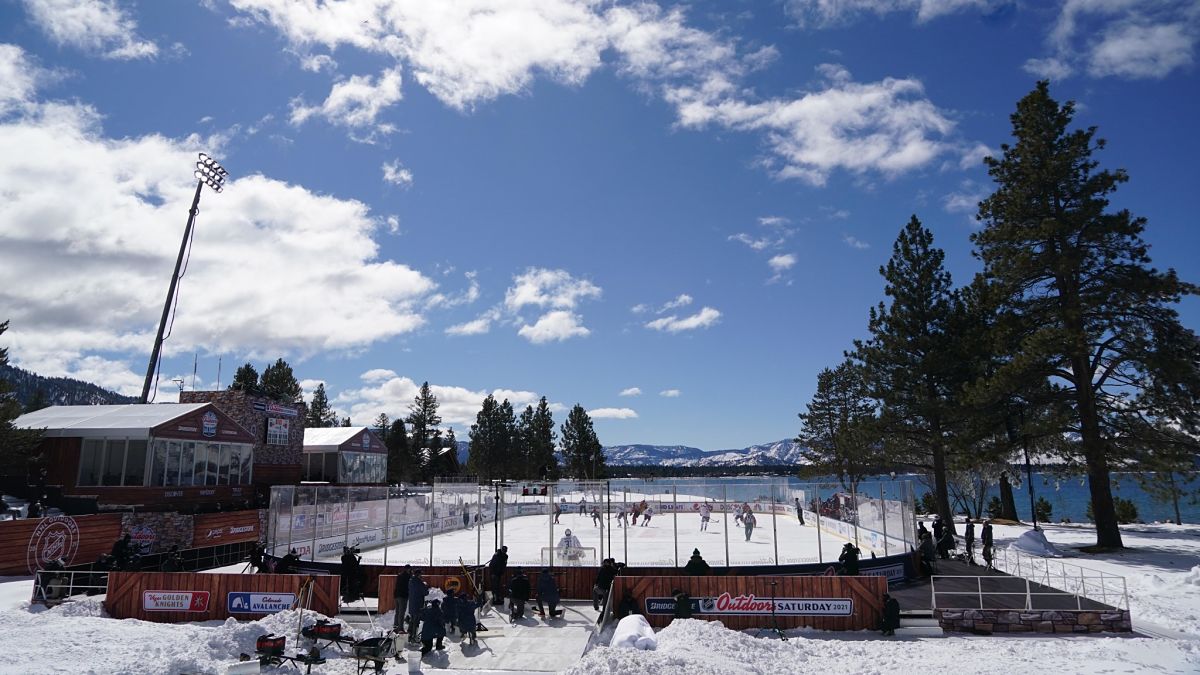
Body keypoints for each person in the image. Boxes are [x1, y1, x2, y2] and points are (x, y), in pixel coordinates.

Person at [407, 569, 428, 643]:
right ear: (418, 575)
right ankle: (414, 637)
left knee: (412, 620)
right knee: (416, 622)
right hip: (418, 605)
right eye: (421, 574)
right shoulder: (419, 582)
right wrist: (425, 586)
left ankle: (409, 635)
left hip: (412, 603)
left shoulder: (410, 581)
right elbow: (425, 592)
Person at [393, 565, 412, 631]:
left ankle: (395, 626)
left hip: (397, 595)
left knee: (397, 612)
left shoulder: (399, 575)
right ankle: (400, 628)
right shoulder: (408, 576)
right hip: (403, 596)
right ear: (408, 569)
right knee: (401, 612)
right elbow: (408, 586)